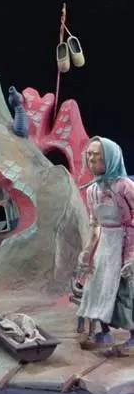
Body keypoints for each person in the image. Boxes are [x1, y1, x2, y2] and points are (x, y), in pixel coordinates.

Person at [76, 136, 134, 353]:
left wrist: (132, 255)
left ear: (110, 158)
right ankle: (105, 332)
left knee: (125, 290)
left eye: (97, 155)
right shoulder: (92, 190)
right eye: (89, 155)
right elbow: (95, 224)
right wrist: (88, 250)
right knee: (98, 286)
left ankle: (133, 338)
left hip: (125, 242)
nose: (91, 160)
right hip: (105, 245)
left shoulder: (124, 186)